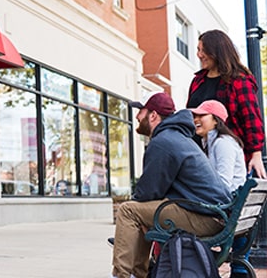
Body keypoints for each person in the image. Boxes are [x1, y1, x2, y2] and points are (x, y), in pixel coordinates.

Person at [111, 92, 231, 278]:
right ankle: (137, 274)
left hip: (205, 217)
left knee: (128, 210)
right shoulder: (179, 138)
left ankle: (121, 275)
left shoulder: (163, 141)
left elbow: (148, 192)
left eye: (140, 112)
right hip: (214, 214)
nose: (136, 117)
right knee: (140, 212)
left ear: (153, 115)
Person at [187, 29, 266, 179]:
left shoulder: (238, 81)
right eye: (198, 50)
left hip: (226, 158)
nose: (199, 55)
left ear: (216, 51)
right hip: (200, 156)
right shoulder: (197, 81)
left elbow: (251, 119)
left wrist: (256, 154)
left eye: (203, 50)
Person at [189, 99, 246, 192]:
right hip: (224, 201)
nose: (195, 119)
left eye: (202, 115)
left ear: (216, 120)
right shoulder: (211, 143)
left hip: (226, 202)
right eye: (195, 116)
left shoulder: (223, 143)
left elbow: (224, 183)